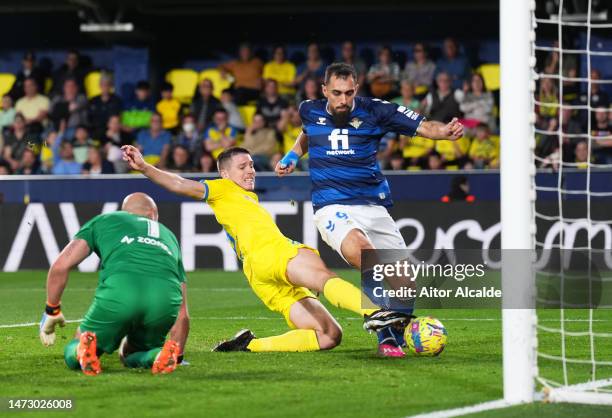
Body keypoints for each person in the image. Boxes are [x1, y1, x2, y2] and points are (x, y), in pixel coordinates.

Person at [121, 146, 409, 354]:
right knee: (323, 276)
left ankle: (250, 345)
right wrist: (146, 167)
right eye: (243, 166)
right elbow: (179, 183)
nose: (251, 170)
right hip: (271, 253)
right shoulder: (222, 188)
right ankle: (374, 312)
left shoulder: (245, 198)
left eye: (252, 165)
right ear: (224, 172)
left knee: (329, 335)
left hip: (258, 274)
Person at [275, 63, 463, 354]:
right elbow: (307, 134)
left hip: (373, 205)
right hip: (332, 205)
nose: (343, 100)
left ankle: (394, 335)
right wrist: (292, 155)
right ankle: (383, 330)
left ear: (356, 89)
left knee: (405, 284)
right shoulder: (309, 109)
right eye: (336, 93)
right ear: (324, 90)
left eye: (349, 93)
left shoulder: (376, 110)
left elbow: (424, 126)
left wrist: (445, 132)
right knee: (363, 251)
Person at [39, 193, 189, 375]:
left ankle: (81, 350)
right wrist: (179, 356)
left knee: (78, 343)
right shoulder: (169, 237)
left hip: (120, 293)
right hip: (164, 300)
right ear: (152, 214)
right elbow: (183, 315)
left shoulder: (105, 220)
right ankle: (157, 356)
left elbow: (60, 266)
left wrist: (52, 309)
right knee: (133, 353)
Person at [87, 73, 123, 139]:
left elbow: (119, 118)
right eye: (103, 85)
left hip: (112, 130)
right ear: (100, 86)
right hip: (96, 131)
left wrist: (113, 128)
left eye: (107, 85)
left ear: (111, 86)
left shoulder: (117, 100)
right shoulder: (93, 101)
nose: (105, 87)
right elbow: (89, 119)